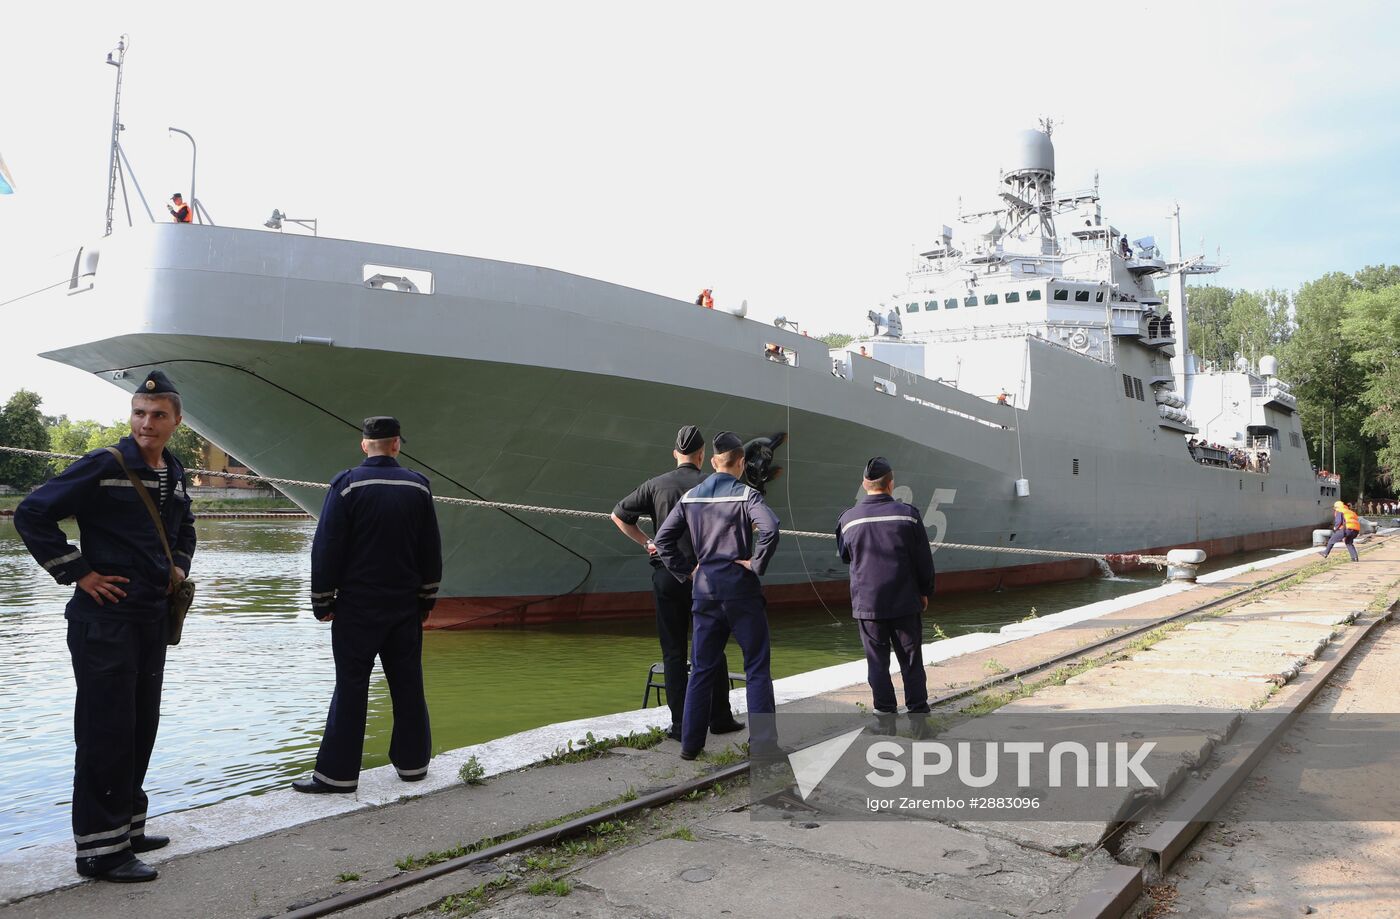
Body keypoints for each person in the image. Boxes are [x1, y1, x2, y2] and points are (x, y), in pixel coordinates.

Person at [14, 370, 195, 883]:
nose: (147, 423)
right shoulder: (104, 463)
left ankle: (128, 829)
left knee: (141, 723)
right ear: (131, 416)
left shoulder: (174, 471)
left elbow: (185, 526)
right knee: (106, 730)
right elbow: (31, 513)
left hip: (150, 619)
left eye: (158, 415)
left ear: (176, 422)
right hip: (105, 621)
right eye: (140, 412)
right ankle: (100, 851)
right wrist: (79, 573)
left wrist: (178, 564)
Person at [293, 416, 442, 794]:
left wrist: (322, 601)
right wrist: (426, 598)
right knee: (408, 683)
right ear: (396, 445)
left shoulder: (346, 485)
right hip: (405, 605)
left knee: (352, 686)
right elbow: (430, 549)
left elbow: (327, 545)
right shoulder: (418, 487)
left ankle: (338, 775)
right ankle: (414, 765)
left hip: (358, 606)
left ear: (364, 445)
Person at [610, 425, 744, 742]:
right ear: (702, 456)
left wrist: (648, 542)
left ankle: (681, 726)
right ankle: (720, 718)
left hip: (667, 576)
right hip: (706, 578)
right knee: (712, 649)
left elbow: (618, 515)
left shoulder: (656, 485)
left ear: (675, 455)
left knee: (673, 653)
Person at [653, 431, 780, 760]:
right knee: (756, 668)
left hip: (705, 591)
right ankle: (764, 745)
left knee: (702, 668)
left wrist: (688, 570)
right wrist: (756, 563)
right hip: (741, 591)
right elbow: (770, 527)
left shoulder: (691, 497)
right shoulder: (746, 495)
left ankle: (691, 745)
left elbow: (663, 540)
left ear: (712, 461)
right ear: (740, 463)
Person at [835, 458, 935, 732]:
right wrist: (925, 592)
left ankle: (886, 722)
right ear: (891, 484)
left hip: (868, 605)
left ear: (863, 485)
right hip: (905, 601)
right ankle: (919, 723)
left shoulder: (847, 519)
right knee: (911, 660)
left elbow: (846, 556)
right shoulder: (908, 514)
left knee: (877, 663)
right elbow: (923, 560)